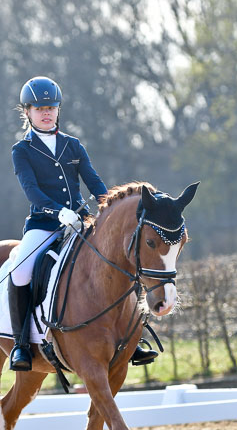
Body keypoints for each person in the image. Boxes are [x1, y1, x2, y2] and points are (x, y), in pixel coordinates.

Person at [9, 76, 158, 371]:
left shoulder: (73, 145)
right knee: (19, 271)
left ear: (58, 109)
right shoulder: (21, 150)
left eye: (50, 107)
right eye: (39, 108)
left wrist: (108, 211)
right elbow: (31, 191)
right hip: (44, 224)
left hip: (80, 222)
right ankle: (21, 345)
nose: (46, 112)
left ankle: (133, 336)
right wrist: (56, 212)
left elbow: (94, 182)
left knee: (123, 258)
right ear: (26, 112)